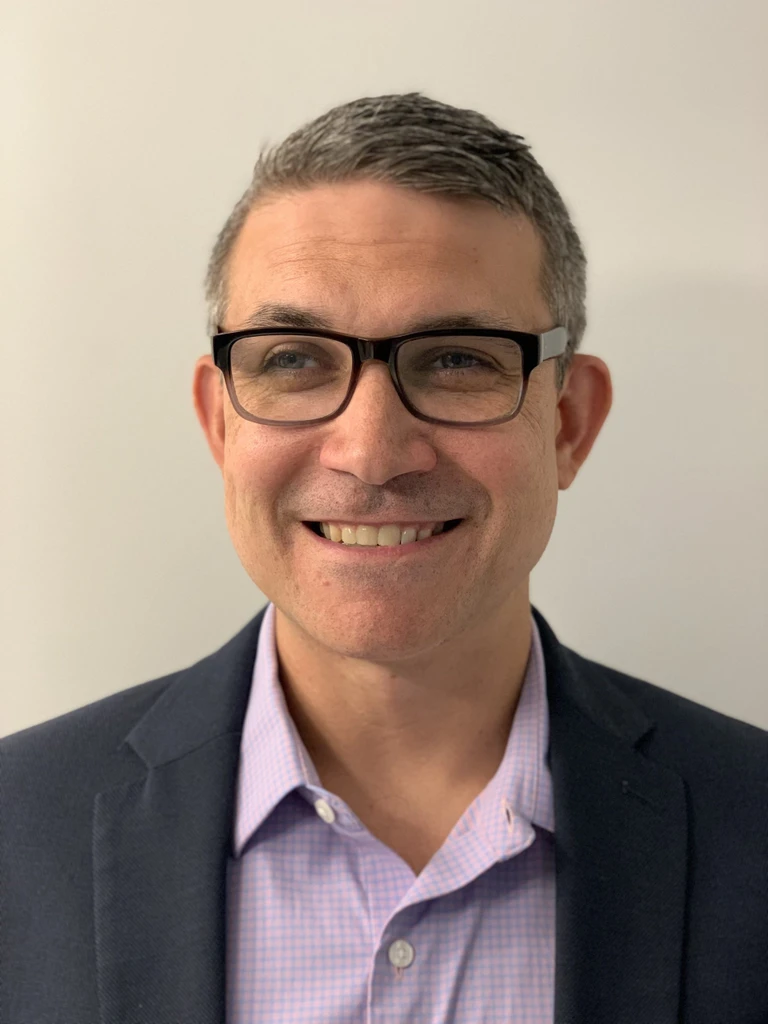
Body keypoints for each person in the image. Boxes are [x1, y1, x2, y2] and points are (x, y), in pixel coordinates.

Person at [1, 92, 766, 1024]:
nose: (371, 452)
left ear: (568, 423)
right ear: (220, 422)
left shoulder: (750, 825)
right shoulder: (17, 830)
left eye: (457, 359)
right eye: (292, 360)